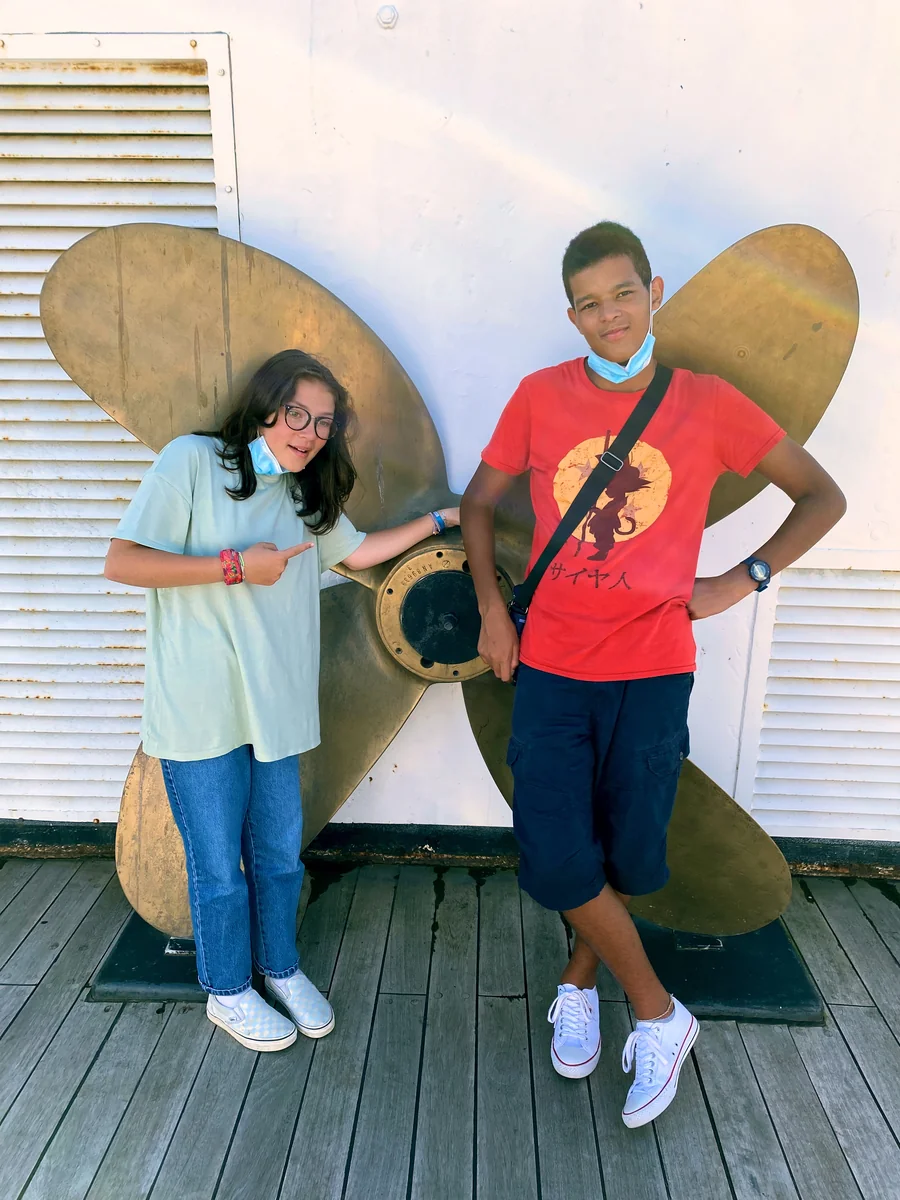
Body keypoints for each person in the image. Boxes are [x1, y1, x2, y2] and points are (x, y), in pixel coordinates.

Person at [460, 222, 845, 1127]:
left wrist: (740, 580)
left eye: (623, 293)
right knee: (554, 850)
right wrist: (490, 608)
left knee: (629, 850)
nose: (610, 315)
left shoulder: (707, 403)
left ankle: (578, 982)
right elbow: (478, 503)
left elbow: (822, 495)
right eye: (589, 304)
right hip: (553, 665)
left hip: (655, 667)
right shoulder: (539, 396)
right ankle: (659, 1012)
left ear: (654, 290)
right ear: (572, 316)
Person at [105, 349, 458, 1053]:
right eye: (298, 414)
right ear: (265, 408)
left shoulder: (304, 493)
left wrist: (443, 521)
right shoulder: (193, 462)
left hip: (276, 710)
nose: (310, 433)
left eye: (325, 423)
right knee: (218, 869)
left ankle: (281, 969)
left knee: (278, 858)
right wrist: (237, 566)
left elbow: (358, 553)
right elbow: (124, 561)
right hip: (200, 709)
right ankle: (228, 991)